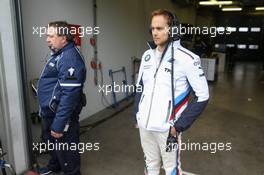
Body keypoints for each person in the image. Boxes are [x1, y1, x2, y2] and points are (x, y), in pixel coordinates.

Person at [135, 9, 209, 175]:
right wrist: (137, 114)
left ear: (173, 29)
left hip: (167, 129)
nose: (155, 32)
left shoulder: (188, 59)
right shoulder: (147, 56)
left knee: (171, 169)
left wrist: (179, 126)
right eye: (152, 28)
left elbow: (203, 96)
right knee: (150, 165)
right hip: (145, 126)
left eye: (159, 28)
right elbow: (140, 86)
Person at [37, 21, 86, 175]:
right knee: (52, 144)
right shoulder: (59, 54)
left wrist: (59, 124)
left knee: (66, 150)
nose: (47, 39)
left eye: (51, 36)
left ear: (64, 38)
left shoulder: (70, 58)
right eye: (47, 35)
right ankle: (55, 166)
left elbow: (69, 95)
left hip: (61, 115)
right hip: (51, 112)